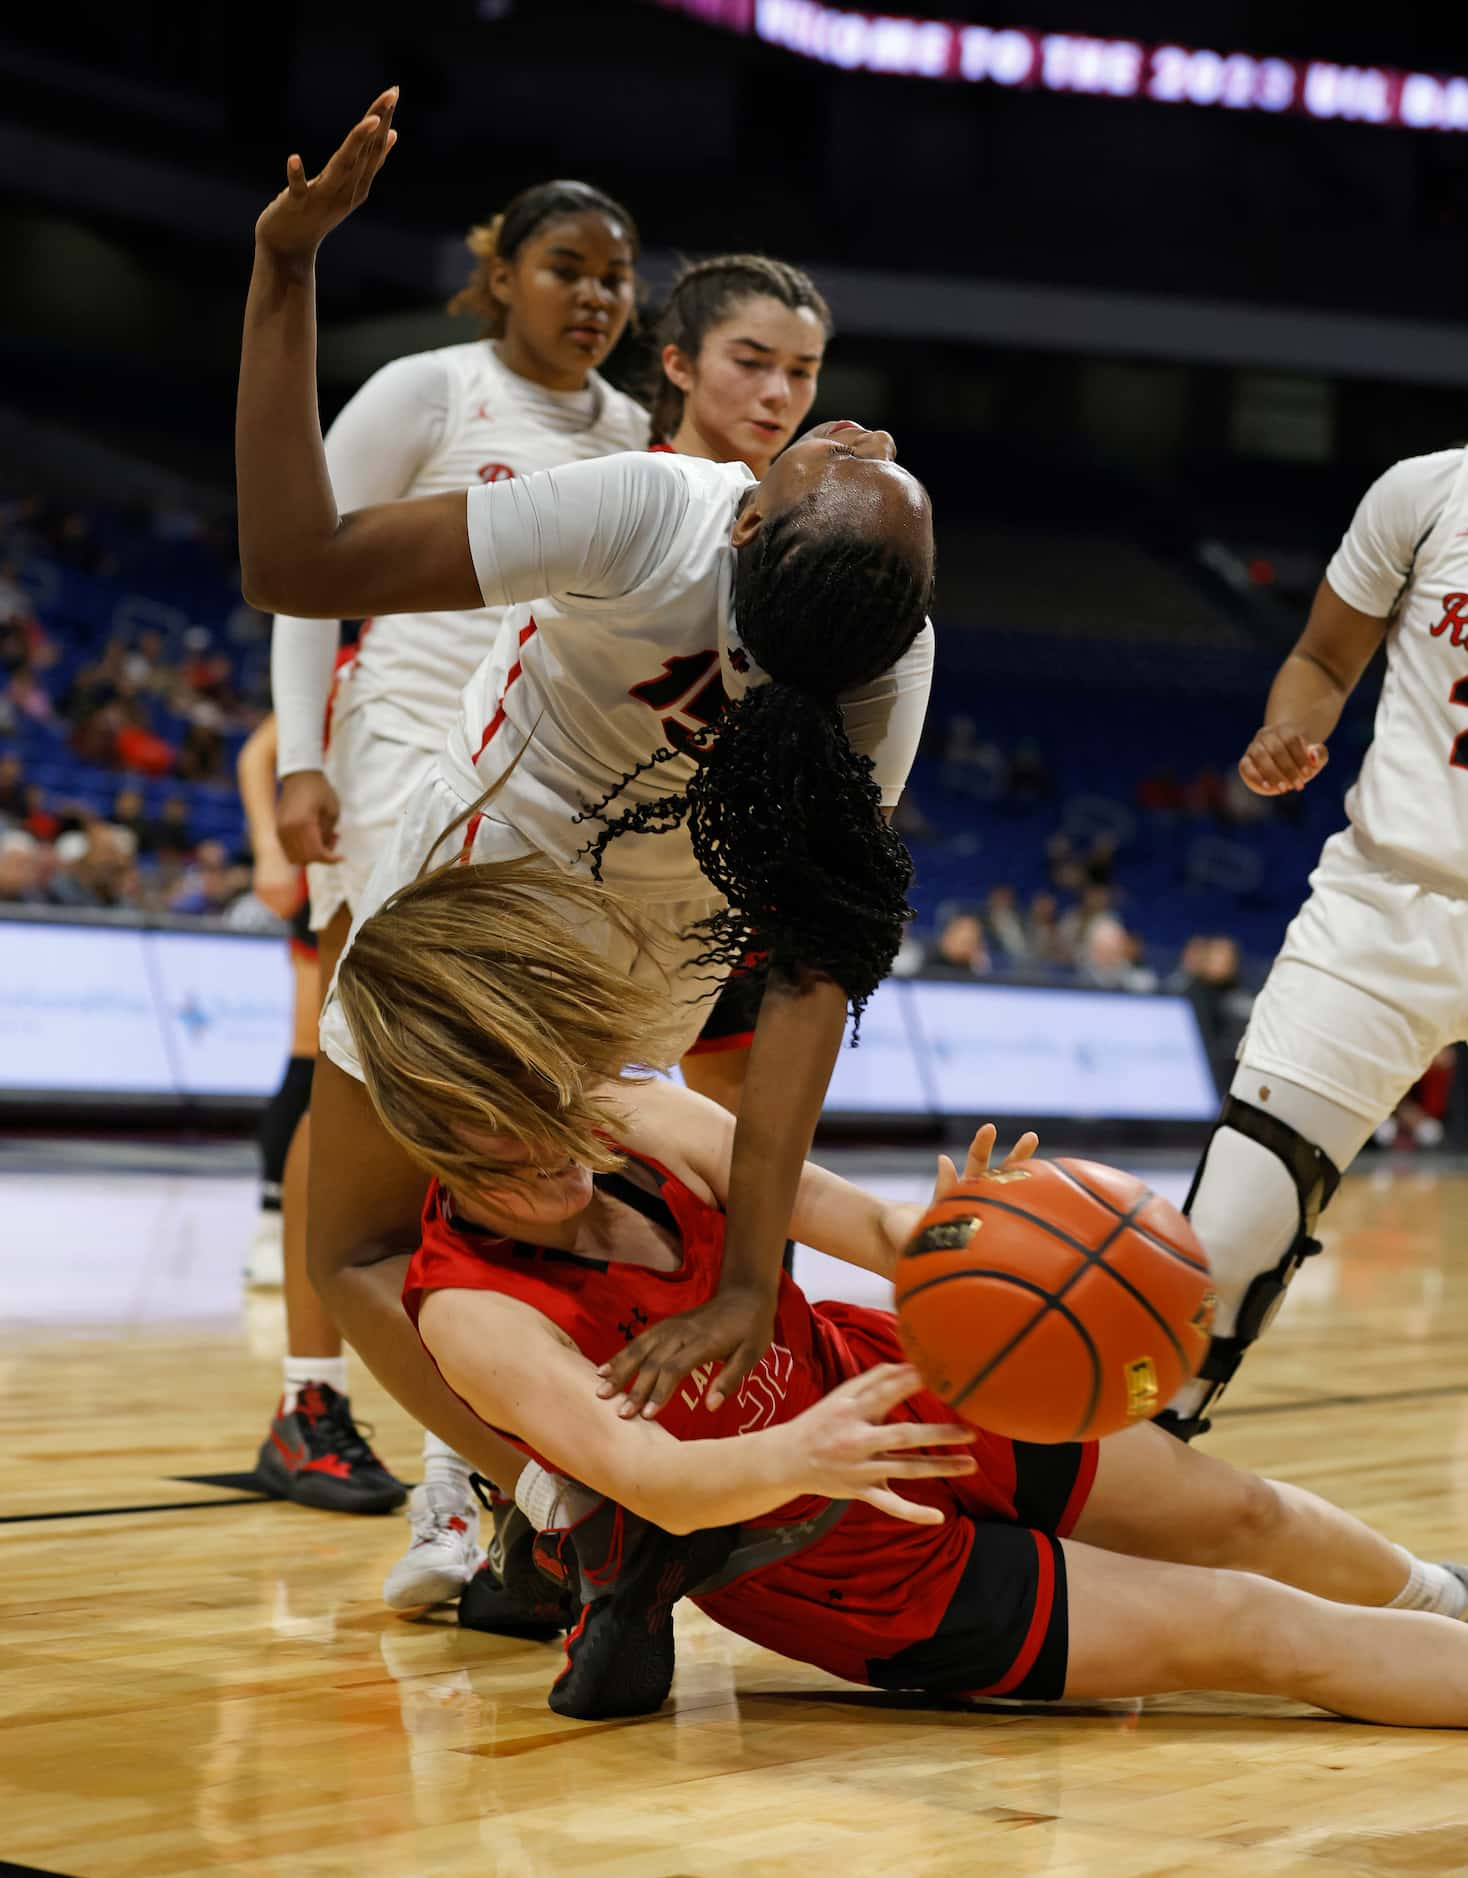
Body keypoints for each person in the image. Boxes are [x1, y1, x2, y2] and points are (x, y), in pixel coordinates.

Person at [235, 94, 935, 1607]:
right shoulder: (891, 652)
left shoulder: (663, 508)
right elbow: (820, 959)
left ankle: (555, 1492)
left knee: (356, 1243)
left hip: (464, 926)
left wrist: (285, 276)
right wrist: (758, 1276)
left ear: (755, 528)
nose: (856, 426)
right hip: (646, 997)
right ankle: (583, 1490)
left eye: (842, 439)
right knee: (587, 1245)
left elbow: (293, 562)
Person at [331, 858, 1468, 1728]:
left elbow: (864, 1223)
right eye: (520, 1153)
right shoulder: (472, 1311)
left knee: (1246, 1516)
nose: (563, 1151)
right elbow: (659, 1483)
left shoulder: (634, 1119)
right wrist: (800, 1452)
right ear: (441, 1149)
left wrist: (969, 1236)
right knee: (1250, 1627)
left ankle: (1438, 1598)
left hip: (884, 1384)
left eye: (558, 1101)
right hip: (828, 1553)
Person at [261, 137, 647, 1588]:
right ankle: (323, 1393)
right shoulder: (433, 392)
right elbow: (306, 571)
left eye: (616, 276)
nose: (597, 295)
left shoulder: (630, 438)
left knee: (491, 1118)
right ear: (498, 277)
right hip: (392, 765)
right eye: (568, 268)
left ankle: (462, 1465)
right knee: (369, 1085)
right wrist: (302, 753)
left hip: (528, 791)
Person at [1160, 446, 1468, 1439]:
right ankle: (1132, 1481)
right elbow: (1326, 659)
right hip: (1388, 898)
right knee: (1231, 1228)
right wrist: (1287, 730)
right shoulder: (1426, 494)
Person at [648, 253, 833, 1115]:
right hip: (588, 872)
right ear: (678, 362)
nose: (779, 394)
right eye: (751, 362)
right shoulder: (615, 499)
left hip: (729, 885)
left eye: (801, 371)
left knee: (750, 1158)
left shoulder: (822, 538)